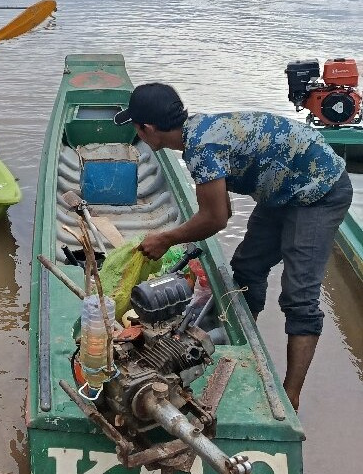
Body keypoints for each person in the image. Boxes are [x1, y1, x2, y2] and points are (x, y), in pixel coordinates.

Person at [114, 82, 352, 411]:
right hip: (283, 188)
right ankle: (244, 345)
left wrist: (166, 238)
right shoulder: (196, 131)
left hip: (319, 191)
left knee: (299, 296)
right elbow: (222, 210)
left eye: (137, 129)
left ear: (149, 129)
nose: (139, 136)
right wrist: (179, 231)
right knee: (247, 269)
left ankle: (289, 396)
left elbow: (215, 220)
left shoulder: (200, 149)